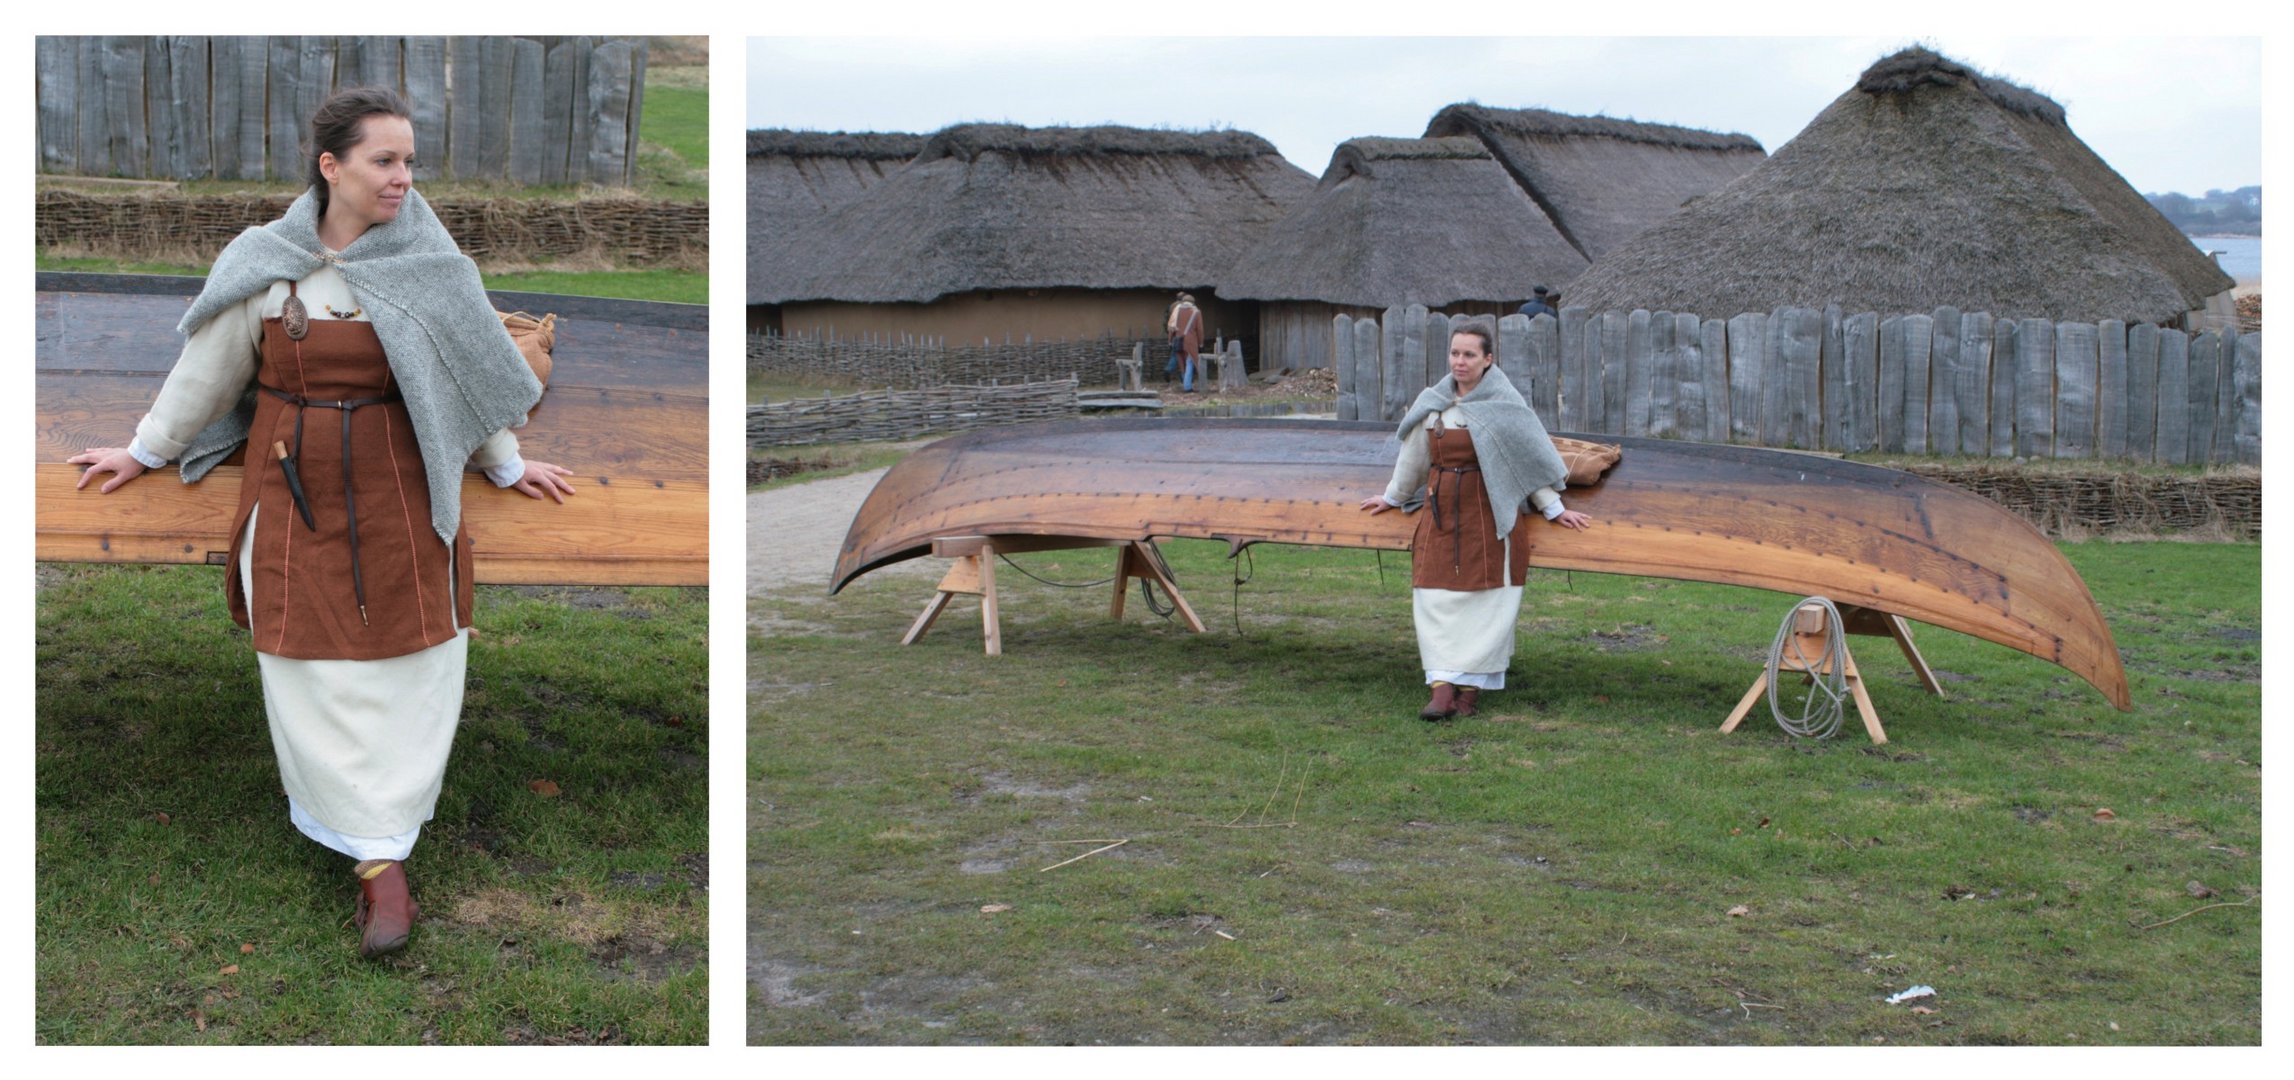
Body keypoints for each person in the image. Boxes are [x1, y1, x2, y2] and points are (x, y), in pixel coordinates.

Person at [69, 86, 577, 958]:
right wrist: (147, 449)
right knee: (305, 658)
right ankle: (378, 865)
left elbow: (467, 372)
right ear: (331, 165)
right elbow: (211, 368)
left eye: (410, 161)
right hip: (292, 478)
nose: (403, 179)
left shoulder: (431, 259)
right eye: (384, 160)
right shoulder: (268, 259)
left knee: (416, 652)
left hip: (402, 483)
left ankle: (387, 834)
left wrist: (503, 462)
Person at [1358, 320, 1591, 720]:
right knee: (1435, 597)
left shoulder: (1505, 405)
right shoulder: (1434, 402)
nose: (1460, 362)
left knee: (1487, 603)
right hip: (1441, 513)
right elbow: (1414, 457)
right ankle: (1441, 688)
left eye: (1469, 355)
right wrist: (1393, 496)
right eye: (1454, 353)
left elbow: (1524, 464)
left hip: (1489, 514)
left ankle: (1469, 692)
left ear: (1488, 360)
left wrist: (1554, 508)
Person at [1167, 292, 1204, 392]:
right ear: (1193, 302)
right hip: (1190, 341)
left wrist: (1170, 341)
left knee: (1181, 363)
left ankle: (1185, 382)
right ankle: (1187, 386)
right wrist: (1201, 343)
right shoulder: (1196, 312)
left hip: (1178, 340)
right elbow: (1199, 329)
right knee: (1190, 362)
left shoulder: (1176, 311)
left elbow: (1171, 328)